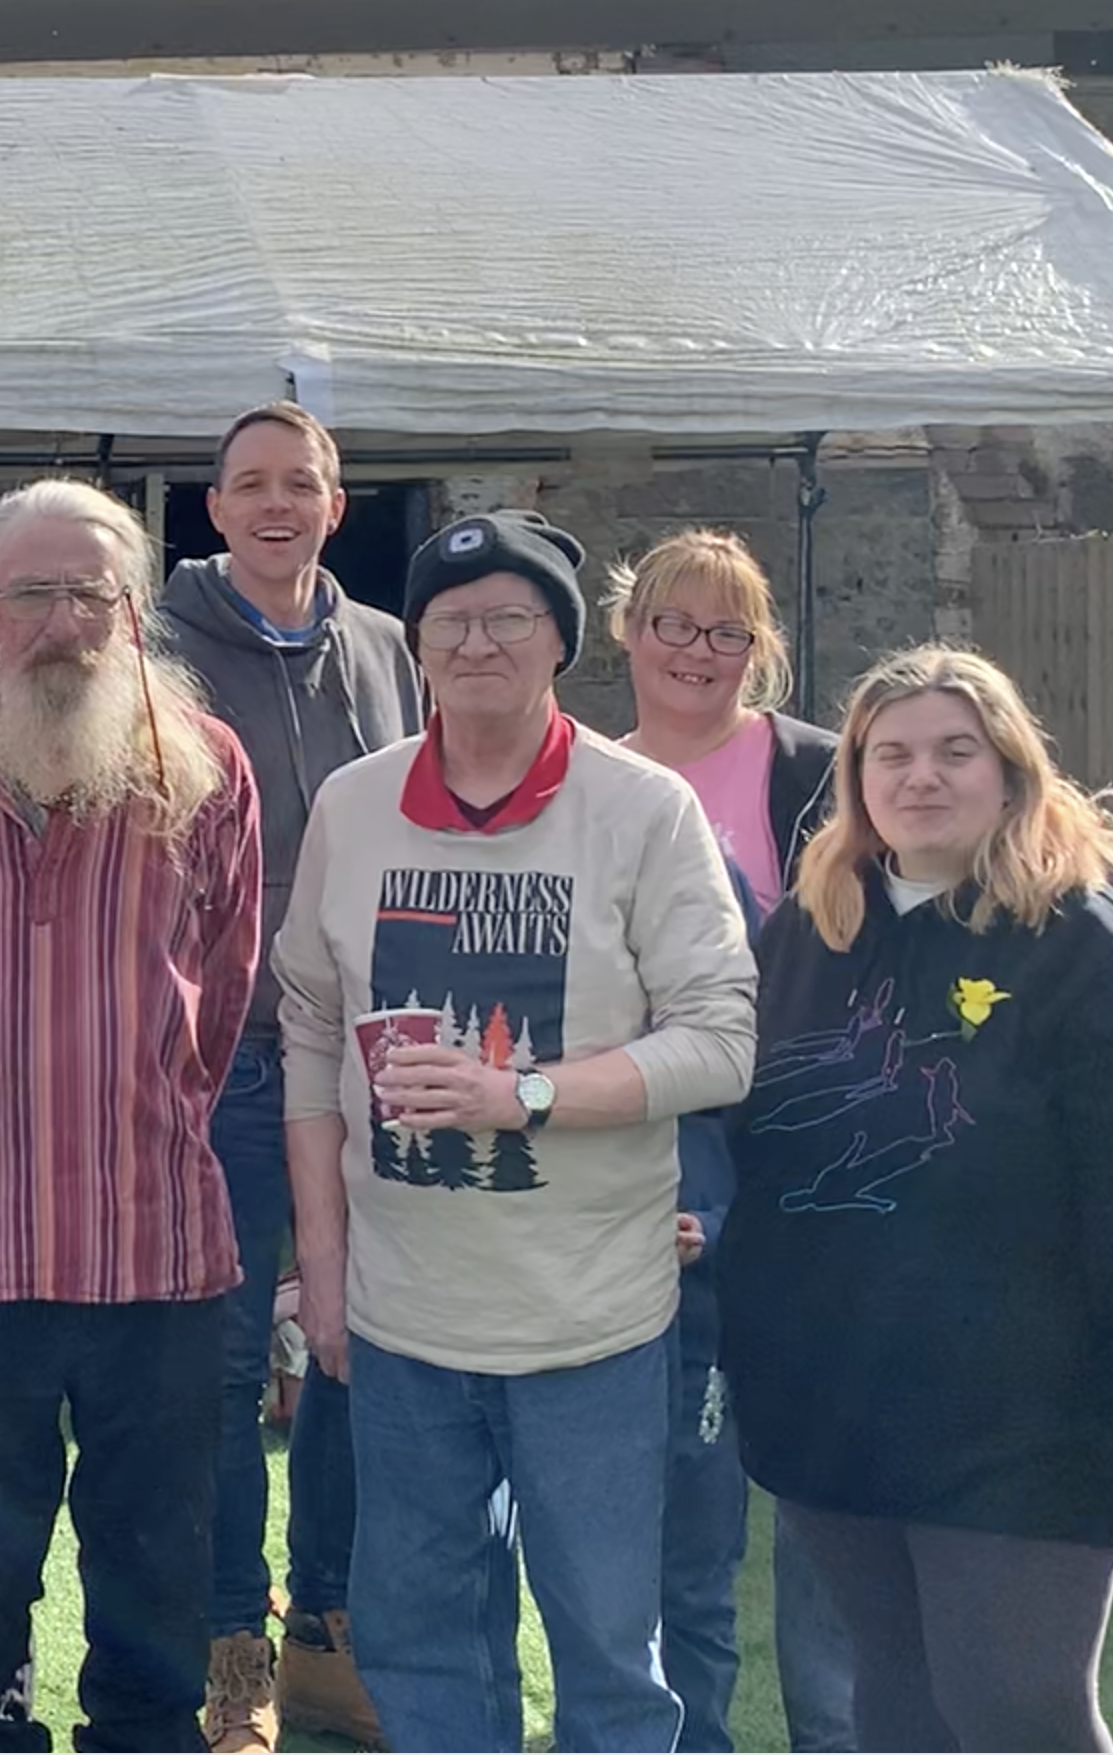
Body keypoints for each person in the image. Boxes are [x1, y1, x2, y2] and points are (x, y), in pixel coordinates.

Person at [717, 646, 1113, 1754]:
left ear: (1013, 772)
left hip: (1020, 1422)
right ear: (857, 777)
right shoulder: (809, 936)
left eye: (955, 750)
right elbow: (763, 1147)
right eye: (893, 753)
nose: (922, 776)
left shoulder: (1099, 960)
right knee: (900, 1706)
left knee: (1018, 1715)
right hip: (835, 1405)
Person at [273, 509, 758, 1754]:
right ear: (419, 644)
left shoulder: (642, 809)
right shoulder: (354, 803)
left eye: (510, 617)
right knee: (420, 1636)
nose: (478, 641)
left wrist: (525, 1094)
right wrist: (321, 1266)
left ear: (559, 642)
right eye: (451, 620)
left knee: (605, 1642)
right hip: (401, 1321)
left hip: (592, 1318)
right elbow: (314, 1037)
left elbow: (720, 1038)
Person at [0, 479, 263, 1755]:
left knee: (153, 1553)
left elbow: (229, 985)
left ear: (136, 613)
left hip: (153, 1243)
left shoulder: (208, 763)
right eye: (34, 590)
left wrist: (136, 1104)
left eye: (94, 591)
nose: (65, 619)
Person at [150, 403, 420, 1754]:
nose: (275, 504)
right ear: (214, 507)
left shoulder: (384, 649)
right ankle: (231, 1644)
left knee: (354, 1344)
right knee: (216, 1366)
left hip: (375, 1063)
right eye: (249, 484)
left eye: (298, 484)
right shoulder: (156, 647)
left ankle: (329, 1625)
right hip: (229, 1068)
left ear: (334, 500)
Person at [604, 529, 856, 1755]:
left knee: (823, 1507)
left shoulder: (816, 774)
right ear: (626, 630)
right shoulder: (587, 782)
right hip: (659, 1188)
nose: (697, 651)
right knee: (676, 1538)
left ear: (760, 649)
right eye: (673, 622)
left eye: (727, 630)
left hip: (807, 1184)